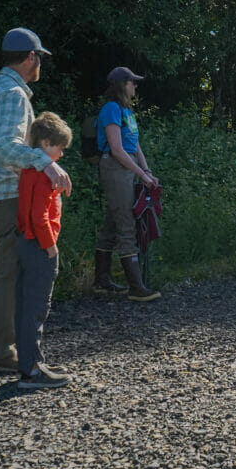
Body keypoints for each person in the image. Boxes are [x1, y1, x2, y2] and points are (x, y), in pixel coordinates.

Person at [0, 28, 72, 373]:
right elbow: (5, 147)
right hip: (8, 196)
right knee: (12, 277)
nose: (40, 62)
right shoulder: (13, 94)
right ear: (30, 57)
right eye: (39, 56)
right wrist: (46, 164)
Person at [15, 113, 74, 389]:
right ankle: (32, 371)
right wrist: (50, 247)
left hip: (25, 243)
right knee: (37, 308)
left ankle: (32, 361)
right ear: (46, 142)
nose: (60, 155)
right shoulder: (43, 174)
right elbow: (39, 217)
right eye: (59, 148)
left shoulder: (28, 170)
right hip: (39, 246)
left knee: (26, 305)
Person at [94, 66, 161, 302]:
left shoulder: (127, 111)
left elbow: (135, 145)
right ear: (122, 84)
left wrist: (147, 171)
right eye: (132, 82)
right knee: (126, 223)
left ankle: (101, 281)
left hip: (128, 165)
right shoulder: (111, 109)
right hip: (115, 166)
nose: (135, 86)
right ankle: (136, 287)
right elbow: (116, 149)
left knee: (113, 222)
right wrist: (142, 176)